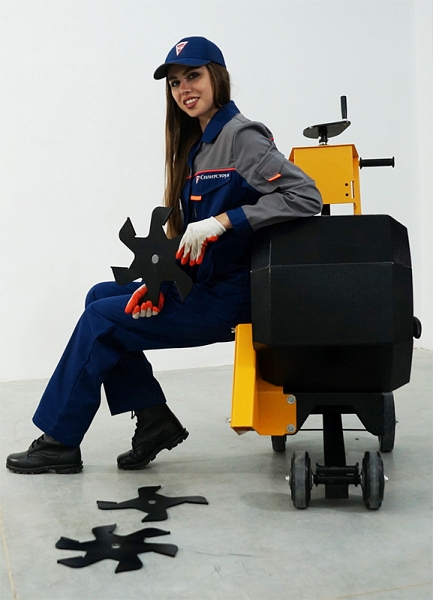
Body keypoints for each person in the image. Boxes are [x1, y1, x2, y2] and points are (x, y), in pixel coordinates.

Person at [6, 36, 322, 474]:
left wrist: (224, 221)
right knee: (100, 296)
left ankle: (60, 441)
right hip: (201, 285)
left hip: (230, 297)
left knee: (101, 321)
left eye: (193, 75)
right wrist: (160, 283)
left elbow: (306, 196)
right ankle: (153, 418)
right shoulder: (197, 145)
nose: (184, 89)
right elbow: (192, 245)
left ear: (217, 77)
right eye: (175, 82)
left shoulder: (241, 136)